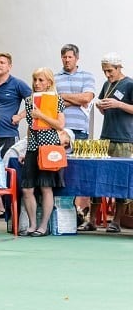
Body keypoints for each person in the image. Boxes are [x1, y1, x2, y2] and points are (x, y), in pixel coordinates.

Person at [88, 52, 133, 231]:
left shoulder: (129, 84)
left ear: (118, 68)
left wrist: (119, 104)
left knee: (120, 179)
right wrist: (101, 106)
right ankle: (91, 219)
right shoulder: (107, 84)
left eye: (110, 71)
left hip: (123, 138)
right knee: (97, 178)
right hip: (105, 136)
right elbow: (106, 109)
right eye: (105, 71)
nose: (107, 75)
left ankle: (116, 221)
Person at [19, 68, 66, 236]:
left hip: (49, 147)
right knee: (27, 188)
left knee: (46, 187)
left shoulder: (56, 100)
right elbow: (31, 129)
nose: (37, 83)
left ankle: (43, 226)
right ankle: (32, 224)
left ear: (49, 83)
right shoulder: (29, 100)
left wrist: (41, 115)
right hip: (33, 147)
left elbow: (60, 125)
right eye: (35, 80)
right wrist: (25, 148)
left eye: (41, 80)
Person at [54, 44, 96, 223]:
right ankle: (64, 210)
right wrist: (74, 99)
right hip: (59, 131)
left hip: (80, 131)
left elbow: (87, 98)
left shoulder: (87, 76)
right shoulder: (54, 78)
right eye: (64, 57)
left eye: (70, 57)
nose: (66, 60)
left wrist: (63, 98)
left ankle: (80, 211)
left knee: (80, 171)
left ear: (77, 58)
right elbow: (53, 101)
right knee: (61, 170)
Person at [0, 52, 32, 158]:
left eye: (2, 63)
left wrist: (20, 116)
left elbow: (35, 102)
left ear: (9, 66)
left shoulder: (17, 84)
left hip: (8, 135)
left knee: (6, 169)